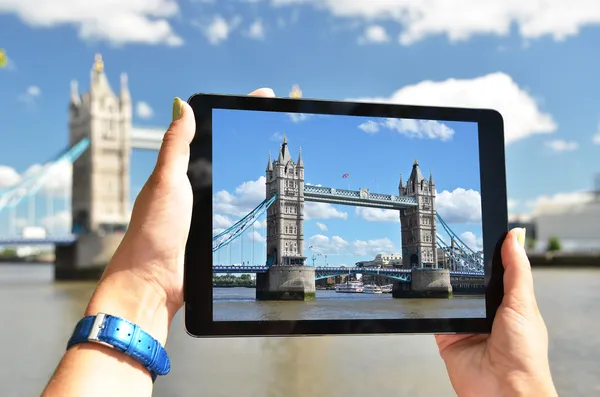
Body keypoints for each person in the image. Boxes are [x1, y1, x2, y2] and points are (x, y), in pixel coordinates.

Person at [41, 88, 559, 397]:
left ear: (418, 198)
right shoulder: (282, 198)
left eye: (417, 198)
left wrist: (142, 291)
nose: (285, 192)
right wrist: (516, 385)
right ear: (281, 180)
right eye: (284, 183)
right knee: (284, 249)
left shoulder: (420, 214)